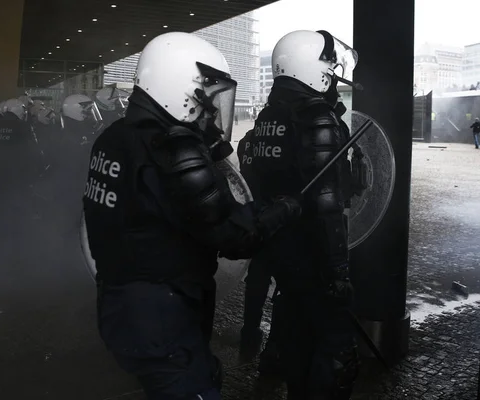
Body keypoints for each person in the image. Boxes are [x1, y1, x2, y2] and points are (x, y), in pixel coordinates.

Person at [83, 32, 302, 400]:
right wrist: (282, 210)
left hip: (120, 302)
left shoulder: (115, 135)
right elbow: (235, 236)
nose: (212, 111)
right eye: (206, 96)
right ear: (179, 86)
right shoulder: (176, 151)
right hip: (161, 315)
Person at [243, 30, 360, 399]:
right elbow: (326, 205)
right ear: (308, 65)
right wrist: (338, 271)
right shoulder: (316, 116)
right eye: (327, 61)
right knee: (336, 353)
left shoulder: (268, 116)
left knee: (296, 337)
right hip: (313, 253)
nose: (331, 69)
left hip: (280, 250)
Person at [236, 128, 273, 358]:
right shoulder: (294, 131)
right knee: (289, 281)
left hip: (257, 214)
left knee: (258, 276)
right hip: (282, 214)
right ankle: (276, 347)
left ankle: (249, 332)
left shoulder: (249, 138)